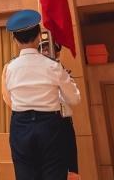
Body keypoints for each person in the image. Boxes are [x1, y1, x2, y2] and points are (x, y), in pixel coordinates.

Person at [4, 9, 81, 180]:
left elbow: (9, 95)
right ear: (39, 36)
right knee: (53, 173)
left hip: (20, 125)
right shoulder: (52, 66)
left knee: (25, 175)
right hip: (49, 125)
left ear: (15, 40)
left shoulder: (10, 68)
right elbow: (74, 99)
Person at [39, 40, 79, 178]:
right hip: (45, 122)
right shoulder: (37, 75)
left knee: (70, 164)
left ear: (57, 53)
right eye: (43, 49)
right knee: (49, 165)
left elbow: (74, 99)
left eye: (49, 49)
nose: (46, 52)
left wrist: (62, 78)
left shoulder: (64, 73)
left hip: (64, 122)